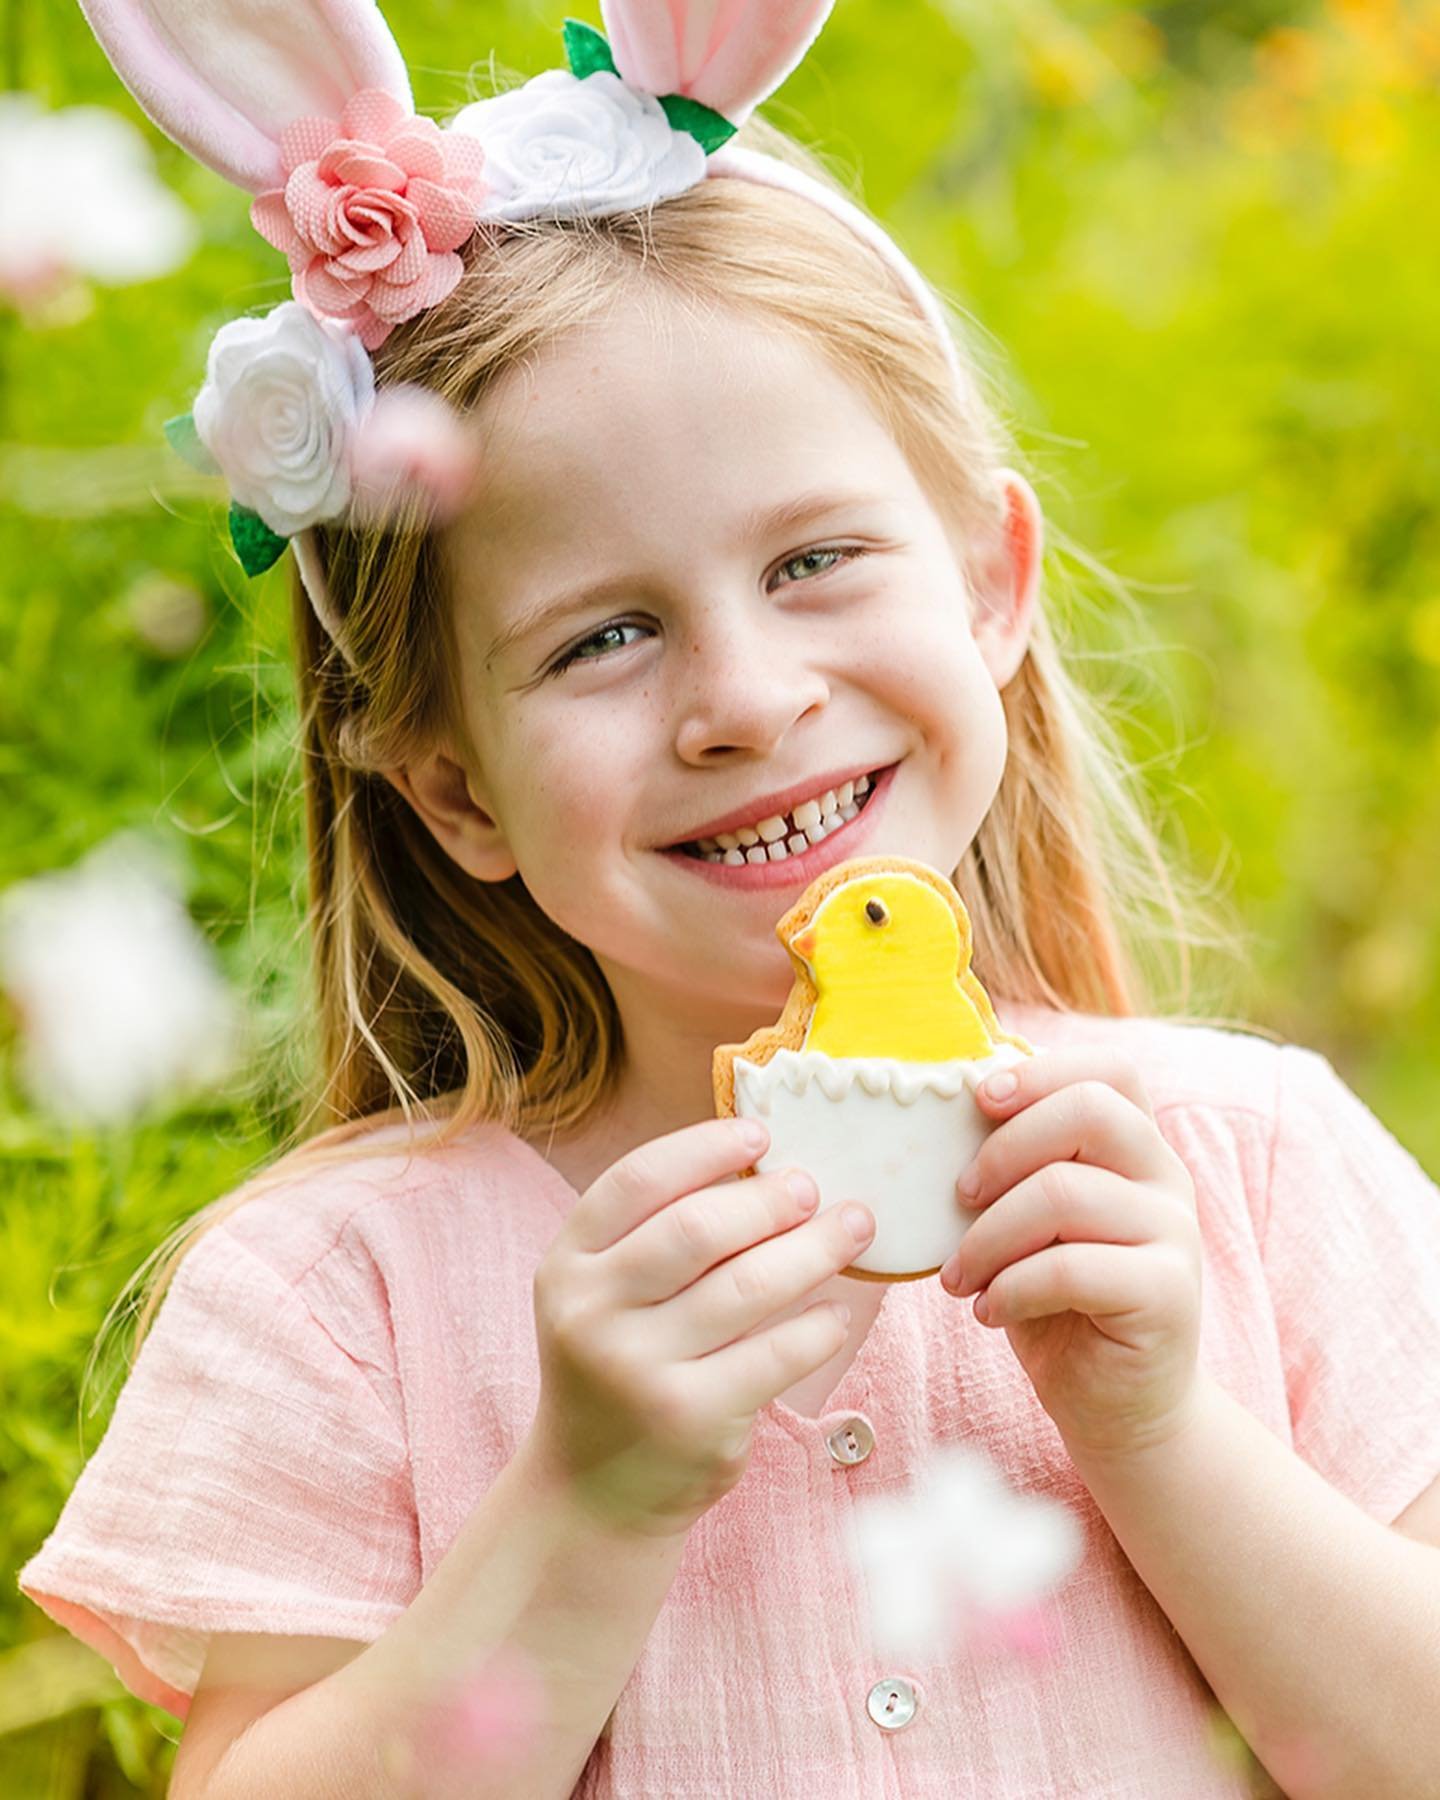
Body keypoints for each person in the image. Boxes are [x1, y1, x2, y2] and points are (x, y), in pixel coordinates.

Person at [17, 3, 1440, 1797]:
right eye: (603, 636)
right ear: (455, 786)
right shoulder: (331, 1294)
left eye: (815, 560)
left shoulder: (1245, 1169)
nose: (749, 698)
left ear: (992, 588)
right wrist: (584, 1502)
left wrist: (1163, 1432)